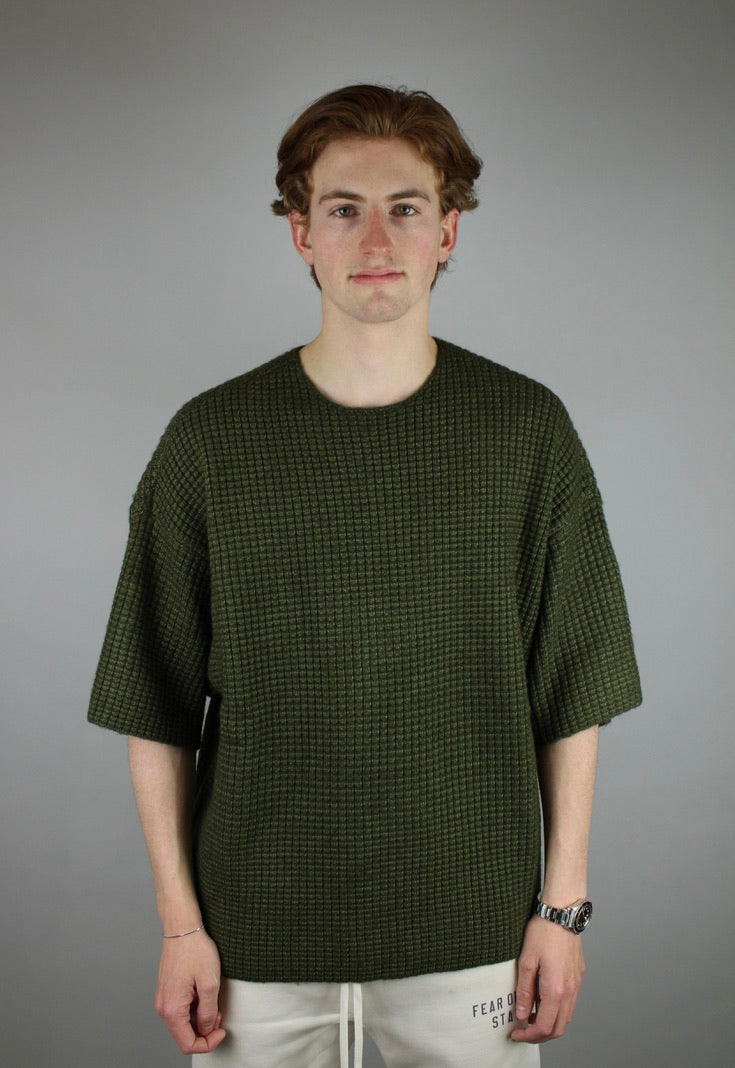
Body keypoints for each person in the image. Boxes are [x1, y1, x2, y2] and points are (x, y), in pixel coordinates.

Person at [88, 84, 642, 1067]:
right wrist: (181, 927)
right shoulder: (211, 442)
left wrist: (562, 911)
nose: (377, 239)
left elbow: (573, 692)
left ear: (448, 229)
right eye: (344, 208)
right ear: (300, 231)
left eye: (406, 207)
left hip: (476, 937)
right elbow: (154, 705)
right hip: (253, 942)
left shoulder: (526, 433)